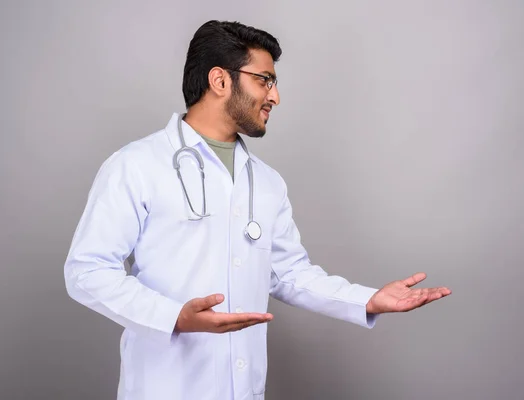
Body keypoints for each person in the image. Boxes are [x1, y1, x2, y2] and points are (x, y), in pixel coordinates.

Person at [63, 20, 451, 400]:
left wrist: (366, 300)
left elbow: (288, 273)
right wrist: (174, 317)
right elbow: (87, 270)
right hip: (167, 387)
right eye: (264, 79)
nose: (275, 96)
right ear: (220, 80)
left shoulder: (266, 182)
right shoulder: (137, 165)